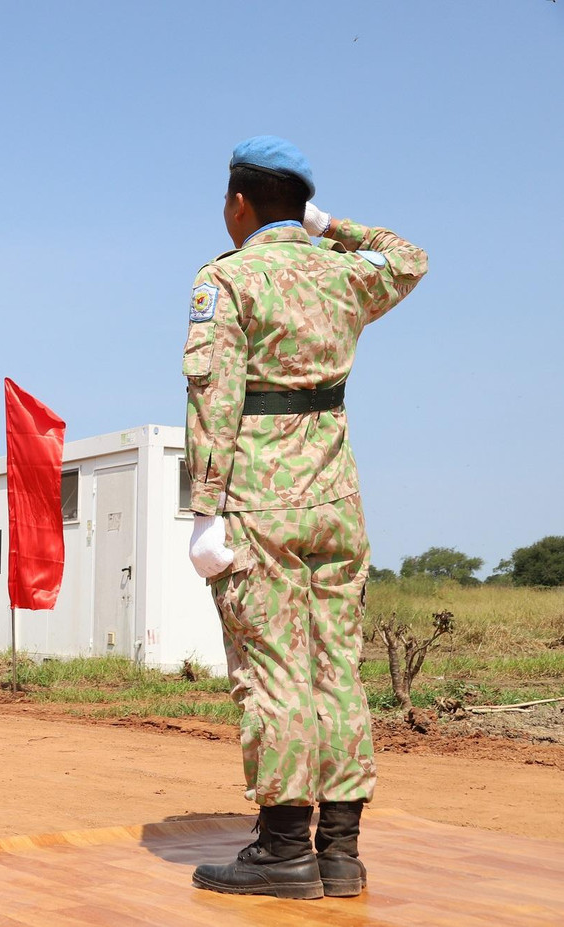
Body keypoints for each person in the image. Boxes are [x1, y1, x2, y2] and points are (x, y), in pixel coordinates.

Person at [183, 136, 427, 899]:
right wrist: (331, 226)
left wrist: (204, 510)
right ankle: (341, 852)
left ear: (239, 202)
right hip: (336, 499)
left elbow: (212, 397)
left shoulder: (229, 280)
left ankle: (285, 847)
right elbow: (410, 256)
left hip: (260, 500)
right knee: (337, 670)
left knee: (276, 671)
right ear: (302, 201)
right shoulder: (343, 273)